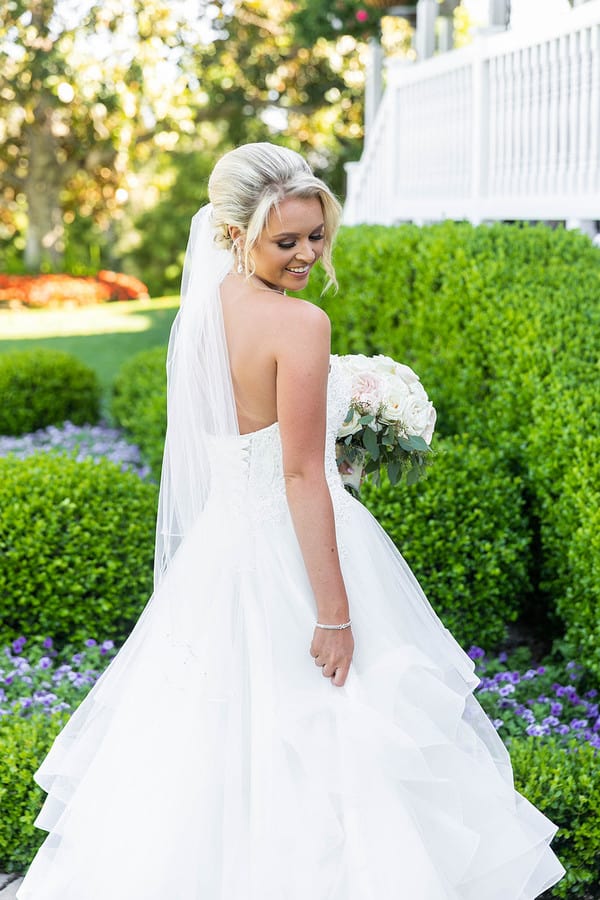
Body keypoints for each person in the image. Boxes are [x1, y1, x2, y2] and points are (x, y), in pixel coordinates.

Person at [18, 143, 565, 899]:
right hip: (296, 554)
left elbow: (242, 446)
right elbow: (302, 473)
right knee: (342, 753)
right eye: (287, 241)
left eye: (315, 235)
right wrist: (334, 616)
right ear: (234, 233)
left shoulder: (203, 317)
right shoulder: (300, 325)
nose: (307, 253)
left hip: (222, 550)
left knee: (212, 754)